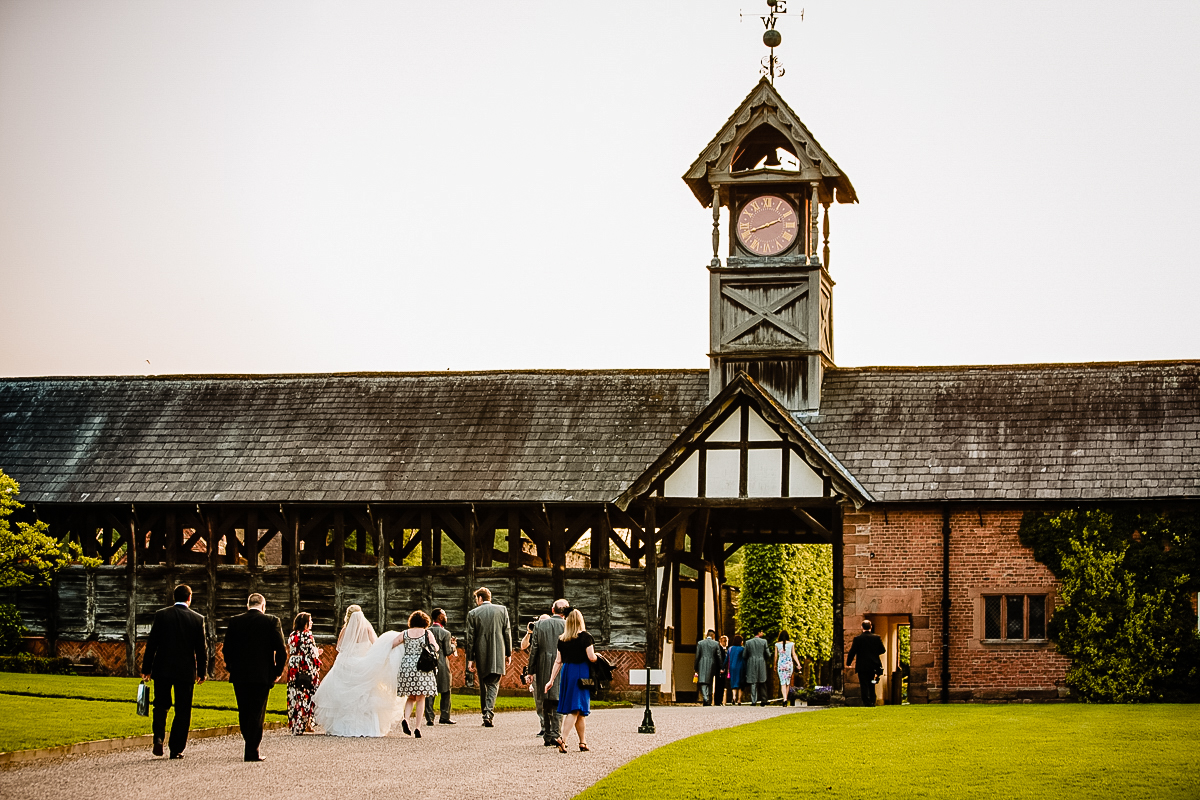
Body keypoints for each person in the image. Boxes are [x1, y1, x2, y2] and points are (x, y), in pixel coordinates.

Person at [313, 604, 403, 736]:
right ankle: (368, 728)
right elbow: (376, 645)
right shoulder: (367, 628)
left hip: (346, 663)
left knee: (344, 695)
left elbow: (339, 647)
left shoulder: (345, 630)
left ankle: (343, 727)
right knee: (366, 695)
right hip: (363, 662)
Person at [141, 584, 207, 759]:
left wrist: (146, 669)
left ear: (174, 597)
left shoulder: (162, 615)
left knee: (160, 705)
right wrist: (202, 672)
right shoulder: (197, 619)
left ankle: (158, 737)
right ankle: (176, 748)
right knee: (183, 710)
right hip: (185, 671)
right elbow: (201, 649)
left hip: (162, 668)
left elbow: (152, 645)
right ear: (189, 598)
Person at [223, 593, 288, 761]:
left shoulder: (235, 621)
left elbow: (227, 648)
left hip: (240, 674)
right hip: (262, 674)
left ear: (248, 605)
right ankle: (252, 750)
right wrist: (278, 671)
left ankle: (249, 744)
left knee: (244, 711)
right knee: (257, 712)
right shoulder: (271, 621)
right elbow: (280, 649)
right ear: (263, 605)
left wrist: (231, 667)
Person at [544, 609, 597, 752]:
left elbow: (558, 661)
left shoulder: (562, 639)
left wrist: (551, 680)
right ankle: (563, 739)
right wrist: (598, 658)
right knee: (576, 708)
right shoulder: (586, 637)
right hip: (581, 672)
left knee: (579, 710)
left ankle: (583, 742)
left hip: (567, 672)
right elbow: (591, 657)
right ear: (581, 621)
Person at [464, 587, 512, 727]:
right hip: (498, 652)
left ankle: (486, 712)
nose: (476, 601)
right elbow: (507, 632)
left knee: (484, 683)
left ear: (480, 598)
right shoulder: (502, 610)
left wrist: (470, 659)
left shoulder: (473, 613)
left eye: (476, 599)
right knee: (493, 683)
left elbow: (470, 638)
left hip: (481, 652)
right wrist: (508, 653)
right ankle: (488, 713)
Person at [391, 610, 439, 739]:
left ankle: (406, 719)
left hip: (406, 666)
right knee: (421, 698)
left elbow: (392, 644)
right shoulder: (427, 633)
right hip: (421, 666)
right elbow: (435, 647)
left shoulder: (405, 633)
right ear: (425, 622)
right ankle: (417, 727)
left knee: (411, 696)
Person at [529, 600, 568, 746]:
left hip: (543, 665)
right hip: (562, 664)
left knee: (545, 700)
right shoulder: (567, 625)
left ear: (552, 610)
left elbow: (534, 650)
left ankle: (547, 734)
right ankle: (556, 734)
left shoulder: (539, 625)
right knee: (558, 699)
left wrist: (530, 671)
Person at [286, 612, 321, 735]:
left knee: (295, 694)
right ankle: (306, 723)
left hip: (294, 666)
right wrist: (318, 654)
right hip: (306, 666)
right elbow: (311, 653)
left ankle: (296, 724)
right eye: (310, 620)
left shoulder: (292, 635)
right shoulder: (308, 635)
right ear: (305, 623)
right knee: (307, 694)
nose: (311, 623)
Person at [423, 607, 456, 726]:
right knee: (446, 690)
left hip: (428, 664)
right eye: (445, 615)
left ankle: (429, 718)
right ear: (440, 617)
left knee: (430, 691)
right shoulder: (446, 633)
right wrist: (453, 646)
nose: (446, 617)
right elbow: (447, 651)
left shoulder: (427, 631)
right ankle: (445, 716)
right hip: (442, 664)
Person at [846, 619, 887, 707]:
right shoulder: (876, 638)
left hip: (862, 665)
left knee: (863, 684)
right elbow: (883, 650)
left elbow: (852, 651)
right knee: (872, 683)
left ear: (862, 627)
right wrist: (874, 653)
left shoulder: (858, 639)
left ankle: (866, 702)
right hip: (873, 665)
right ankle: (872, 700)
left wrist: (848, 663)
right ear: (871, 627)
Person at [742, 629, 770, 706]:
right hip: (761, 661)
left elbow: (744, 655)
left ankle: (753, 700)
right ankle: (764, 699)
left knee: (753, 682)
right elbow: (768, 654)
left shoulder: (748, 642)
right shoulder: (764, 642)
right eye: (761, 631)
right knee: (762, 680)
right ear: (759, 633)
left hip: (751, 662)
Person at [694, 629, 720, 706]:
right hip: (712, 664)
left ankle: (705, 698)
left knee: (702, 682)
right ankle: (708, 699)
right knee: (710, 682)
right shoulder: (716, 643)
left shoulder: (700, 643)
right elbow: (718, 656)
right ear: (713, 636)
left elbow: (697, 656)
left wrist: (695, 666)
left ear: (706, 635)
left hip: (702, 663)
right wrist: (721, 666)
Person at [775, 630, 801, 705]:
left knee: (782, 682)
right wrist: (798, 664)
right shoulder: (791, 644)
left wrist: (775, 664)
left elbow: (776, 656)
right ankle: (786, 698)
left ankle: (784, 699)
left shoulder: (777, 644)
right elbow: (794, 654)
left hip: (781, 665)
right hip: (789, 664)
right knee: (787, 682)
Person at [726, 634, 746, 705]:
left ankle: (734, 697)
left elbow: (726, 659)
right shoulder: (742, 649)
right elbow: (744, 658)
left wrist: (723, 667)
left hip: (732, 667)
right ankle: (739, 700)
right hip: (740, 667)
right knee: (740, 684)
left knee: (733, 683)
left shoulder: (730, 649)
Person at [714, 635, 729, 706]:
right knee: (718, 685)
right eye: (724, 641)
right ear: (720, 641)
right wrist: (721, 668)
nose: (725, 643)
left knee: (723, 685)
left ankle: (720, 700)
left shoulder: (727, 649)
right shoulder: (719, 649)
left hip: (725, 669)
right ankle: (717, 700)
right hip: (719, 669)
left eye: (726, 641)